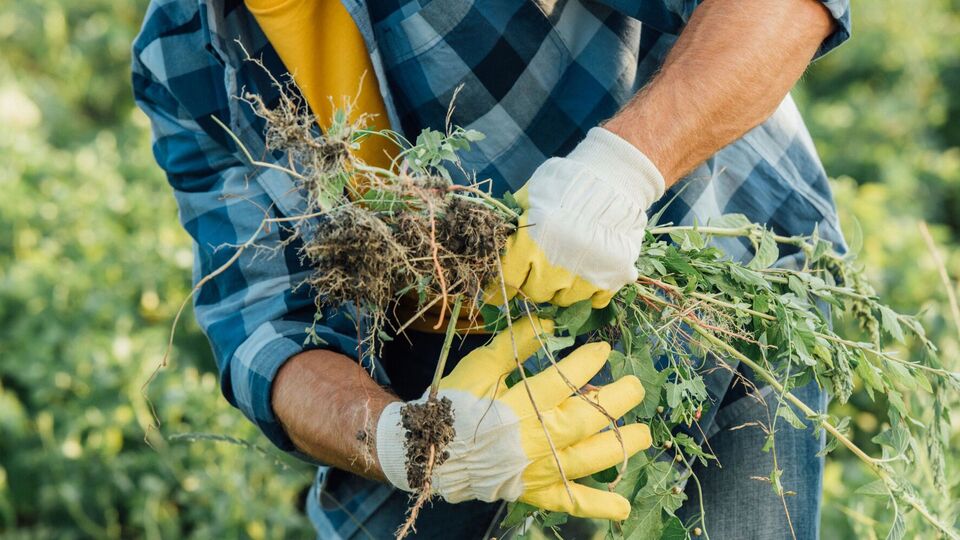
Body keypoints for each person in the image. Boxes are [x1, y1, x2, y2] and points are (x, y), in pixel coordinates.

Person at [132, 0, 850, 537]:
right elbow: (264, 328)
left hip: (700, 273)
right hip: (450, 389)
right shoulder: (184, 50)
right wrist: (407, 441)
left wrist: (621, 170)